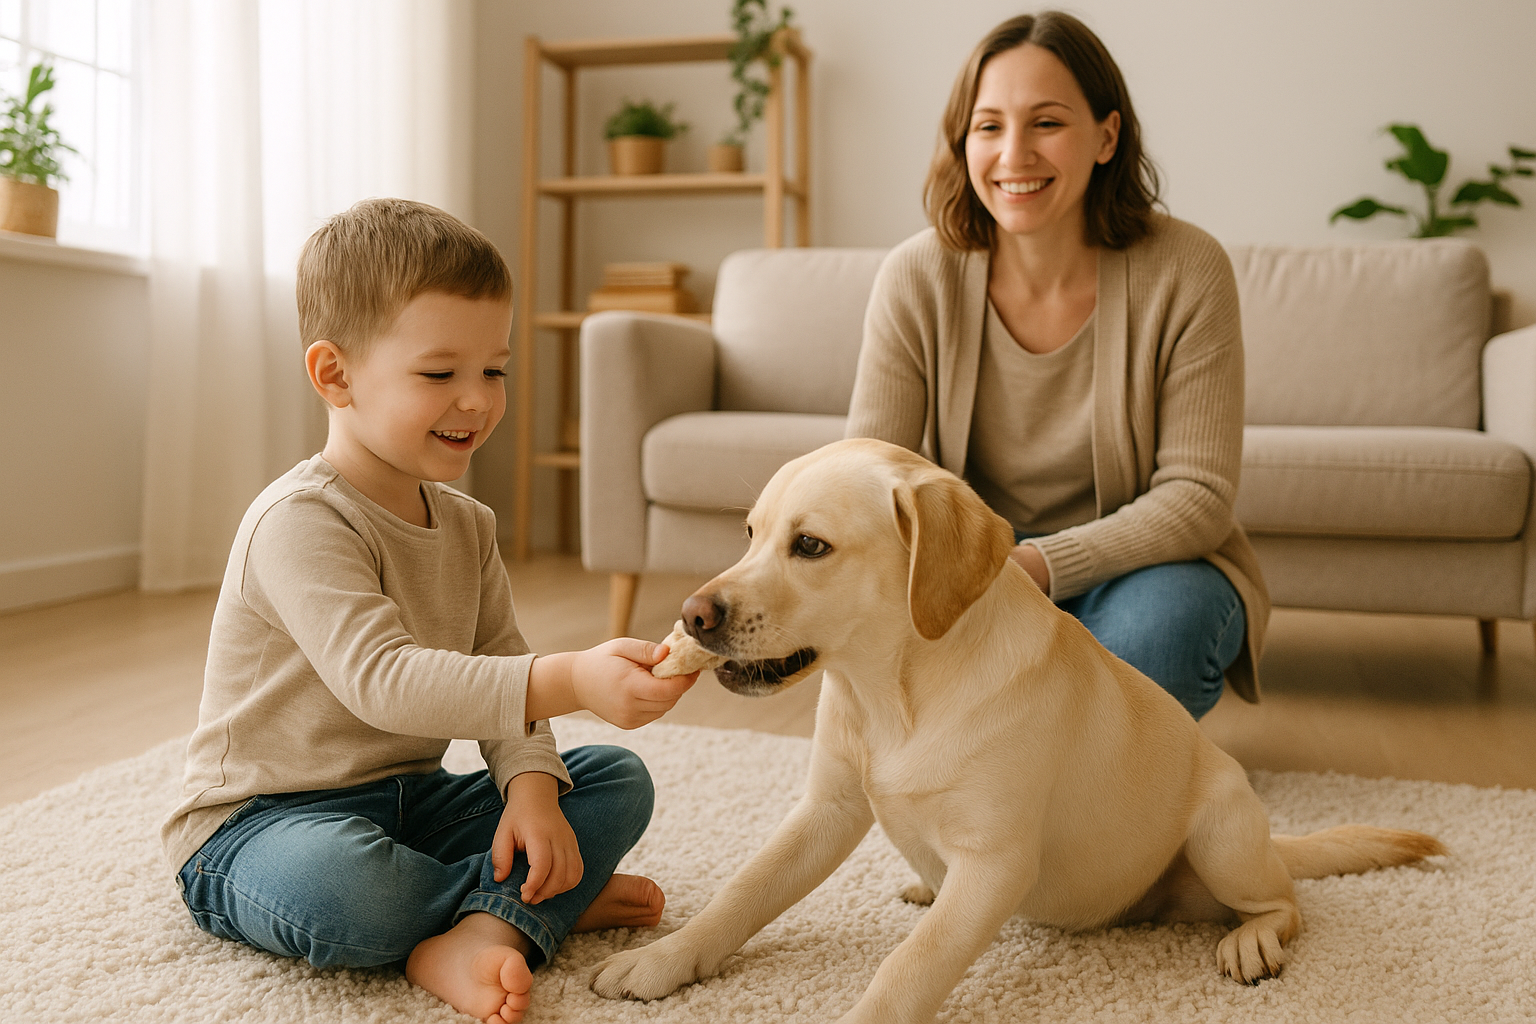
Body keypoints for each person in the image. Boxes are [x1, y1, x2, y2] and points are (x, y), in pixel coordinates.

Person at [161, 198, 699, 1024]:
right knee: (350, 893)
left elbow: (499, 664)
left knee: (612, 779)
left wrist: (529, 790)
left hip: (410, 801)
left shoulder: (467, 526)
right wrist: (572, 679)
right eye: (441, 375)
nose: (477, 401)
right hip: (260, 825)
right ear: (335, 376)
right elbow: (384, 683)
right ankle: (527, 907)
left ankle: (491, 919)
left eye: (495, 371)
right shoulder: (299, 521)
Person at [846, 11, 1269, 718]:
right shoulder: (916, 276)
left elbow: (1197, 496)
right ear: (963, 142)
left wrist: (1036, 566)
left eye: (1046, 123)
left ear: (1107, 136)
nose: (1014, 154)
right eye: (988, 126)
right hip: (970, 567)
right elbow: (867, 473)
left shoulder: (1189, 268)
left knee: (1158, 641)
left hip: (1140, 567)